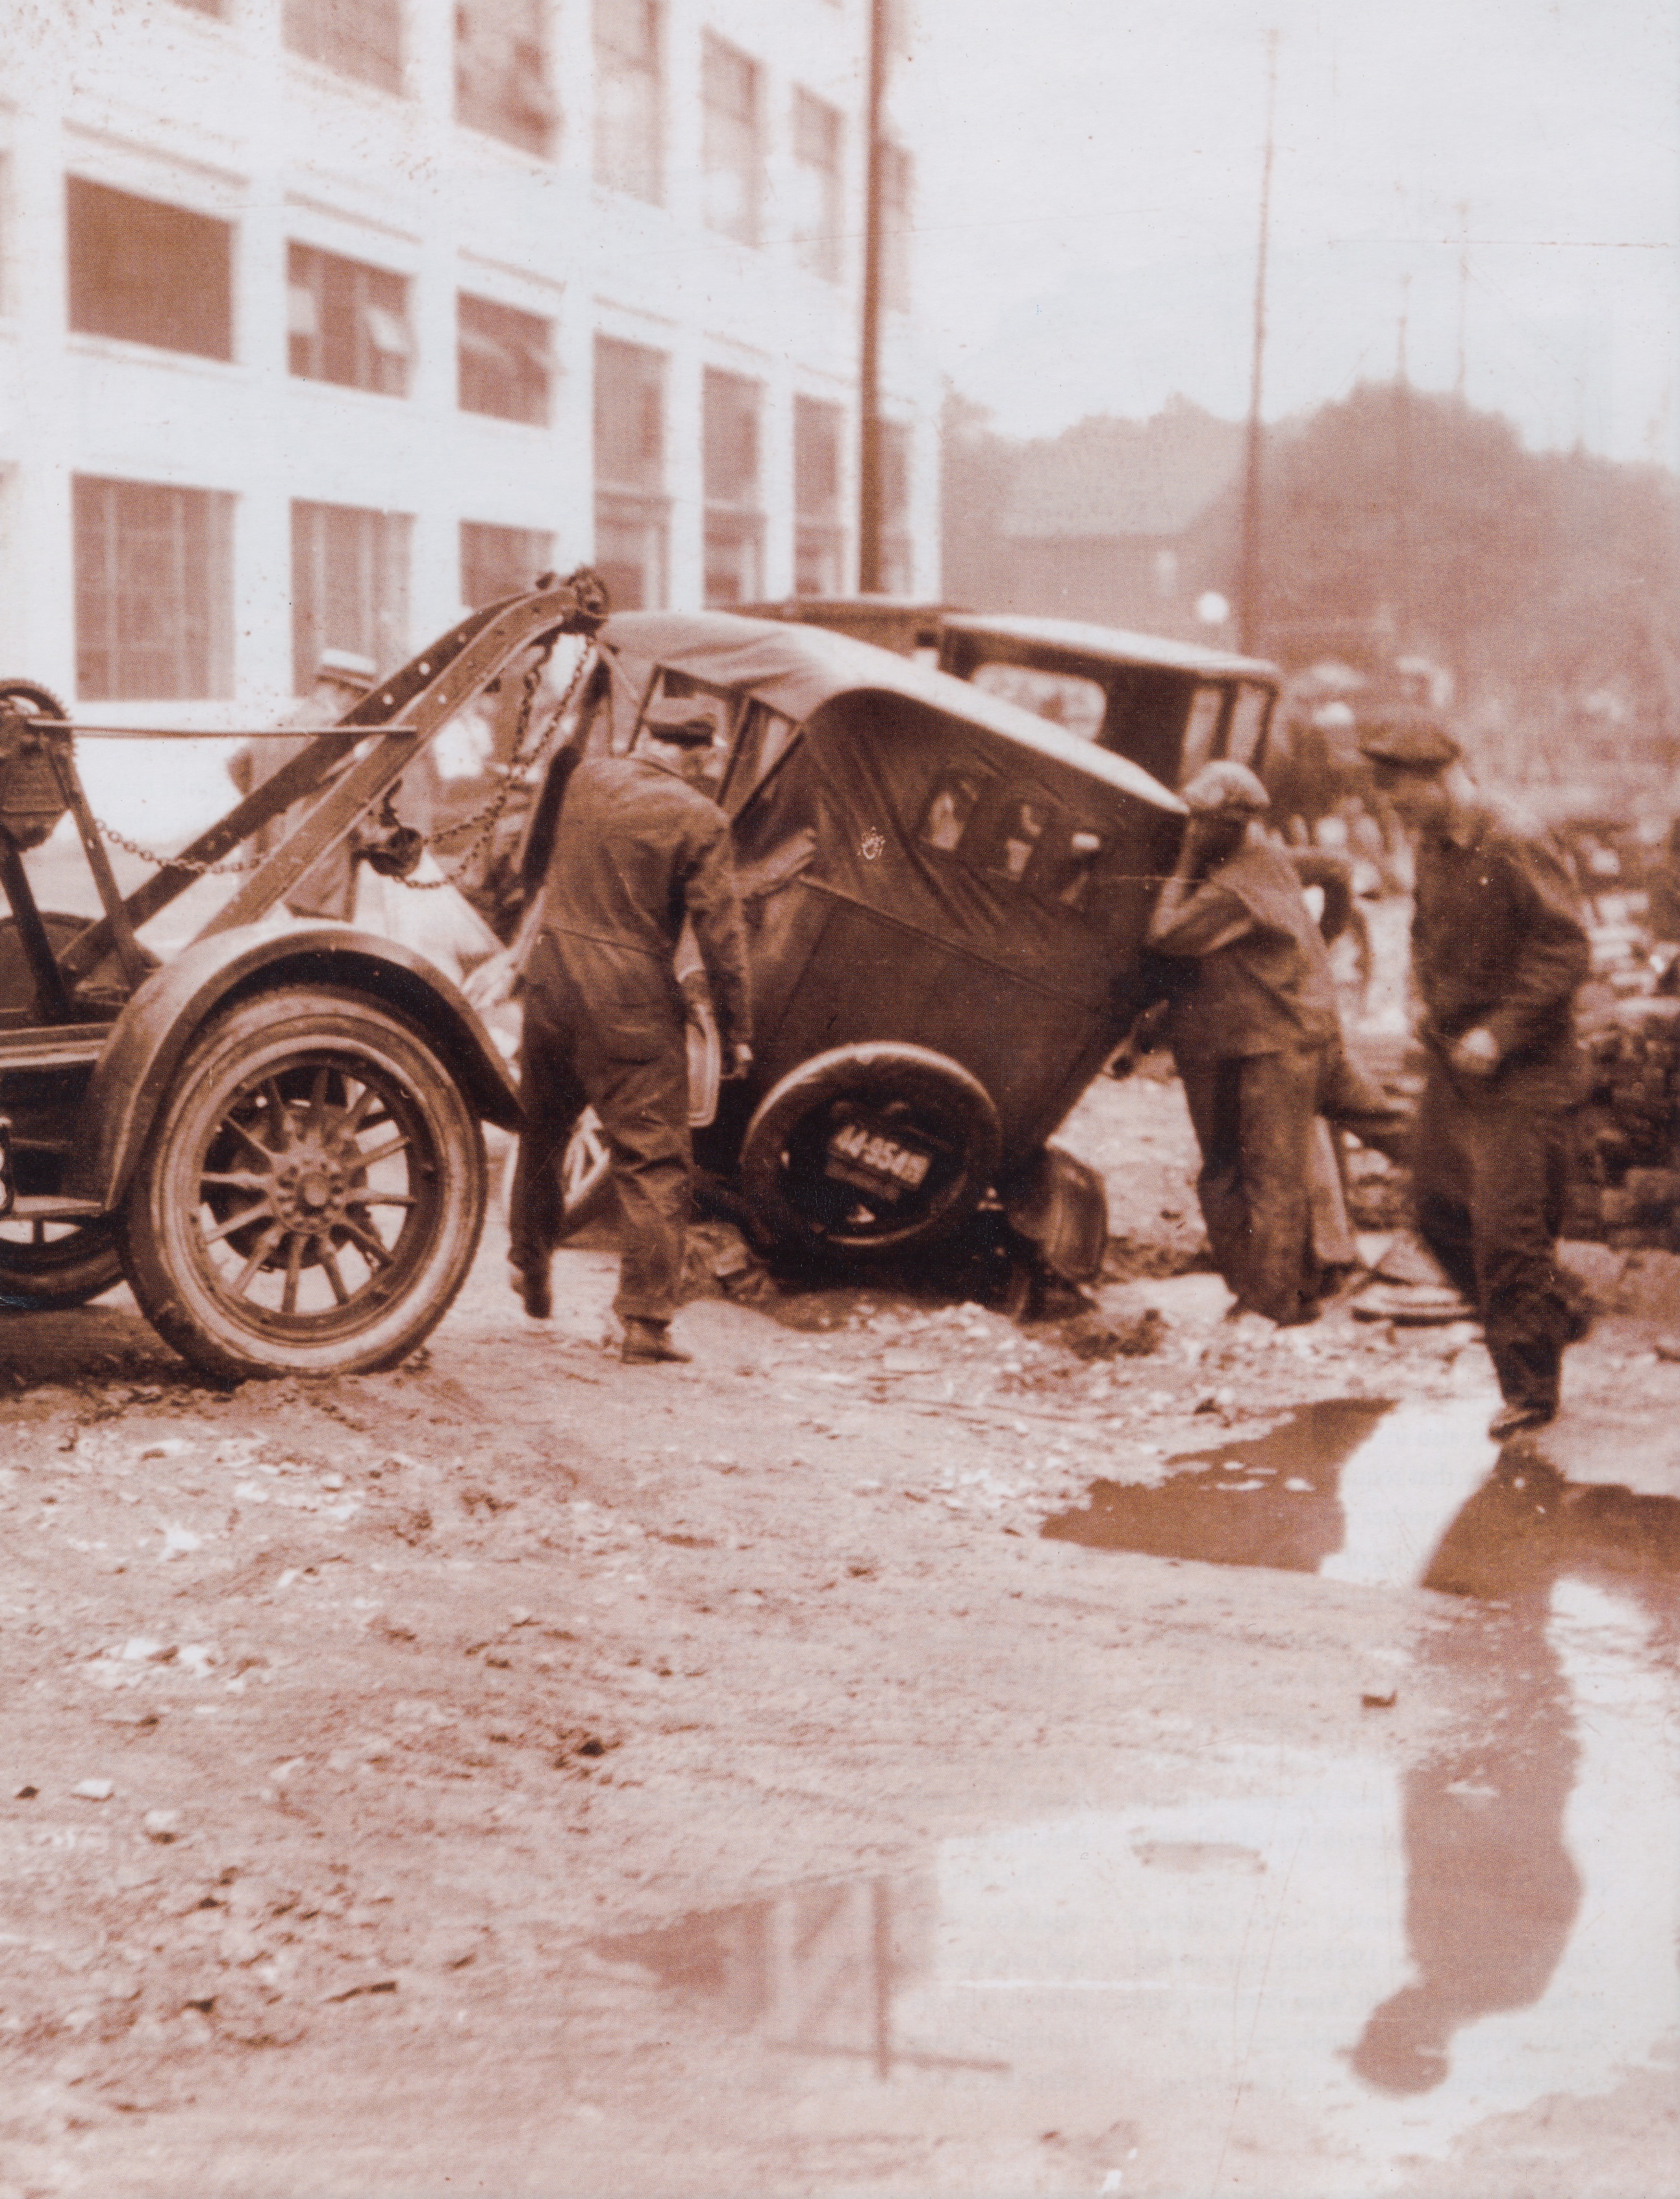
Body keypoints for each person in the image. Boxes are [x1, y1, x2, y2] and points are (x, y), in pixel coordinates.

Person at [1357, 716, 1592, 1441]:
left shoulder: (1514, 840)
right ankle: (1553, 1310)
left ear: (1443, 777)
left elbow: (1564, 949)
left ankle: (1529, 1388)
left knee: (1507, 1232)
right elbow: (1423, 929)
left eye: (1405, 796)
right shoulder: (1431, 845)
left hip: (1525, 1071)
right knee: (1433, 1209)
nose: (1398, 812)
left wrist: (1501, 1031)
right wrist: (1418, 1000)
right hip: (1454, 1061)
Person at [507, 697, 753, 1365]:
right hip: (628, 1006)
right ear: (694, 755)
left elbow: (538, 862)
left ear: (648, 738)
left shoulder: (586, 778)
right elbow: (721, 936)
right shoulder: (700, 818)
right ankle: (643, 1324)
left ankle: (529, 1262)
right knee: (654, 1160)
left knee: (543, 1134)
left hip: (552, 985)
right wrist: (736, 1028)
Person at [1147, 760, 1404, 1326]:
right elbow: (1334, 869)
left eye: (1200, 821)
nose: (1191, 829)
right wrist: (1320, 939)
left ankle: (1268, 1304)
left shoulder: (1233, 888)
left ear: (1228, 824)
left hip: (1271, 1041)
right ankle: (1284, 1288)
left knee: (1263, 1173)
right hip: (1276, 1031)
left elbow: (1165, 935)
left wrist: (1185, 861)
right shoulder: (1265, 857)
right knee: (1383, 1126)